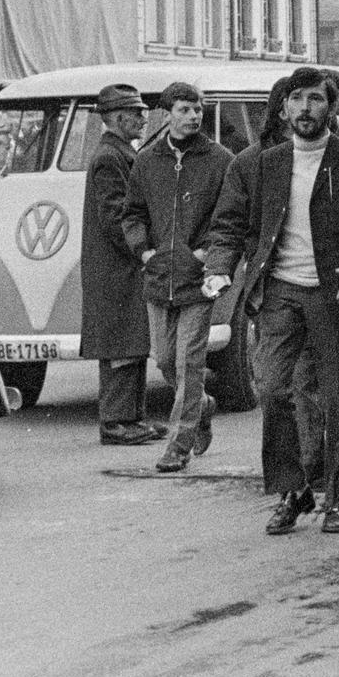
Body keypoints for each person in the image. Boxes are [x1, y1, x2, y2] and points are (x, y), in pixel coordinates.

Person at [210, 67, 339, 534]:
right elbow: (229, 225)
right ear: (284, 107)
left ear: (330, 107)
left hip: (334, 291)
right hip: (279, 293)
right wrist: (218, 269)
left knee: (336, 399)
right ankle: (293, 491)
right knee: (271, 389)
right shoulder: (259, 164)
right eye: (297, 100)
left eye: (315, 99)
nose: (306, 109)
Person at [121, 83, 231, 475]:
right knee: (165, 360)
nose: (193, 116)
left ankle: (178, 445)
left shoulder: (220, 160)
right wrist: (144, 251)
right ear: (166, 114)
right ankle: (200, 404)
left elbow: (229, 217)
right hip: (157, 277)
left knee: (188, 360)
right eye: (185, 109)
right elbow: (132, 213)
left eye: (198, 109)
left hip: (198, 279)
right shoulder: (147, 161)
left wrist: (204, 254)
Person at [81, 85, 160, 446]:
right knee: (120, 347)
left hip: (118, 269)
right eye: (137, 113)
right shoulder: (110, 158)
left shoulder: (117, 153)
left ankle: (131, 418)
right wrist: (142, 248)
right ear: (118, 118)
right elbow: (115, 217)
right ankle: (116, 423)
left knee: (129, 343)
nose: (143, 119)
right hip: (116, 269)